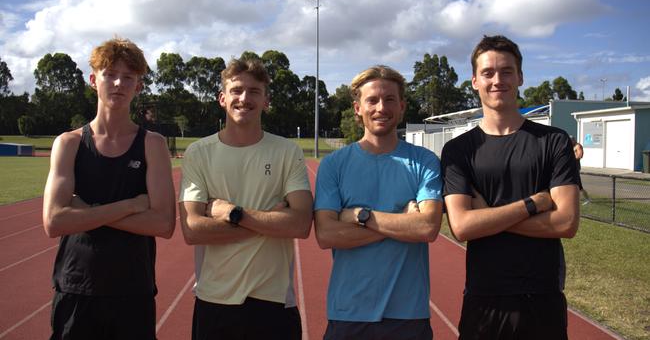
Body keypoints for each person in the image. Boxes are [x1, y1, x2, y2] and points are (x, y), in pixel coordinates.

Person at [441, 35, 580, 340]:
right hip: (483, 299)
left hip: (543, 298)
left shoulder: (554, 142)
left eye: (506, 71)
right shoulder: (458, 150)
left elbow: (566, 222)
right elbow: (462, 226)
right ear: (475, 81)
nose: (497, 80)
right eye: (488, 73)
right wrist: (532, 204)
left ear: (520, 77)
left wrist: (488, 217)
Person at [42, 37, 176, 340]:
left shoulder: (152, 145)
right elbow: (54, 222)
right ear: (93, 80)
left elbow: (164, 224)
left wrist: (85, 210)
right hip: (76, 287)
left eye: (128, 77)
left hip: (133, 290)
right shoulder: (69, 144)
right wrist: (130, 205)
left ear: (138, 86)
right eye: (109, 74)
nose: (119, 83)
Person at [178, 58, 313, 340]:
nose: (244, 98)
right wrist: (271, 220)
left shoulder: (287, 151)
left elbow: (300, 225)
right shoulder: (198, 153)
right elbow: (192, 230)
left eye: (254, 91)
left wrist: (232, 212)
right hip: (214, 300)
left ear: (266, 101)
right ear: (222, 98)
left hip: (274, 301)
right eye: (237, 90)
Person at [314, 65, 444, 340]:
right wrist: (403, 221)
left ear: (402, 107)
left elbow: (426, 229)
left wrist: (360, 217)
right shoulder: (334, 165)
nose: (381, 107)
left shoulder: (424, 161)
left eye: (389, 99)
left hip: (408, 316)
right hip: (347, 314)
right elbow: (326, 234)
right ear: (357, 108)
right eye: (372, 100)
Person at [571, 136, 591, 204]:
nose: (569, 142)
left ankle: (587, 199)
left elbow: (580, 155)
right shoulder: (571, 146)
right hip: (571, 168)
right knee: (573, 185)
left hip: (575, 168)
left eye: (571, 140)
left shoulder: (578, 146)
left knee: (579, 186)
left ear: (573, 140)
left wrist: (572, 157)